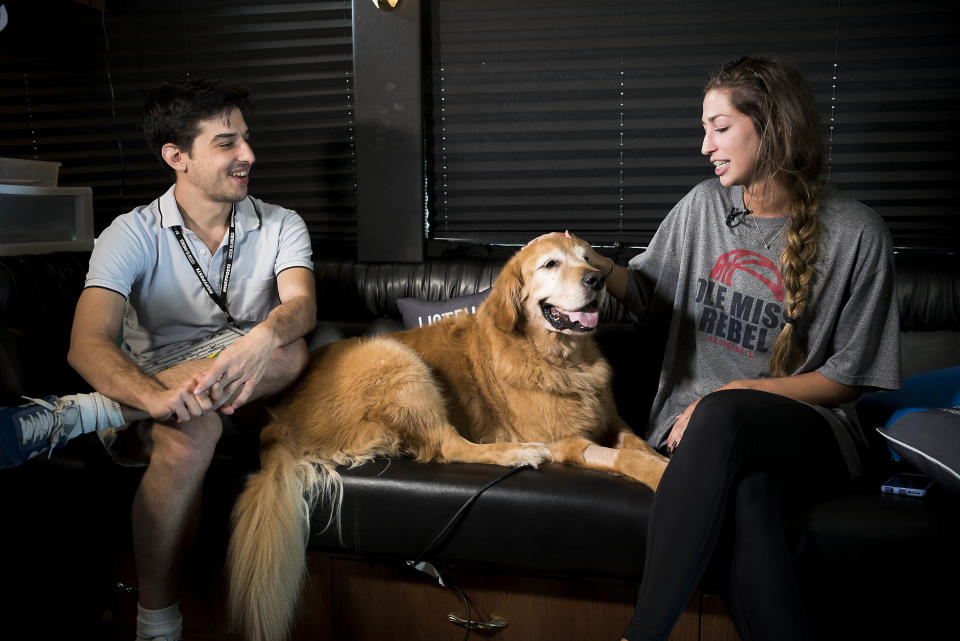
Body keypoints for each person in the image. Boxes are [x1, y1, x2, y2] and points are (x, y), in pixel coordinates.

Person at [581, 56, 900, 640]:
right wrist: (589, 262)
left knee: (726, 413)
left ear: (771, 127)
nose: (705, 145)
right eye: (705, 129)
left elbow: (851, 377)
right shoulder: (704, 207)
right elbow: (649, 298)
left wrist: (733, 392)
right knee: (749, 496)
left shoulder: (859, 233)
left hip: (813, 431)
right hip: (701, 440)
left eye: (719, 127)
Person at [0, 78, 316, 641]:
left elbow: (301, 307)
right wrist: (153, 398)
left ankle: (84, 413)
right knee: (190, 430)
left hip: (250, 383)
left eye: (246, 138)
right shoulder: (129, 233)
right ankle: (158, 624)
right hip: (150, 394)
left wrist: (261, 337)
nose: (248, 154)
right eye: (226, 143)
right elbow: (87, 343)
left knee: (289, 353)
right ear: (177, 156)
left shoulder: (282, 222)